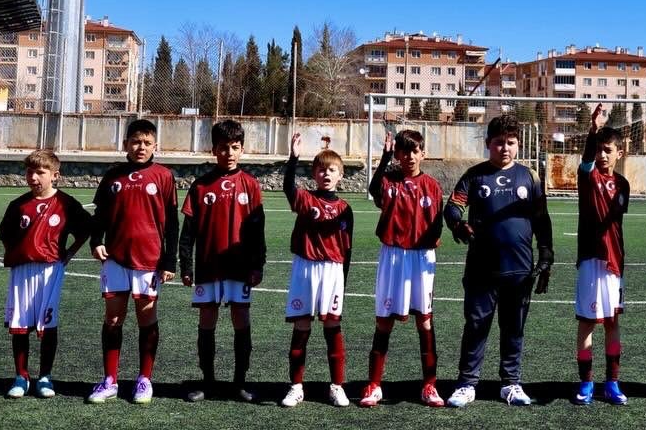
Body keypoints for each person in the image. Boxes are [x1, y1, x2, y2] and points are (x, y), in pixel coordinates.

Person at [443, 113, 554, 408]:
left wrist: (546, 253)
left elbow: (542, 218)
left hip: (519, 269)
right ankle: (467, 383)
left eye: (511, 143)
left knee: (513, 327)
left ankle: (511, 383)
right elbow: (452, 208)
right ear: (488, 144)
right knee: (476, 325)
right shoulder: (475, 175)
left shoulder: (529, 176)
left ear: (517, 145)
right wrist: (458, 224)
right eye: (498, 142)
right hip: (481, 268)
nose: (505, 148)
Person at [87, 119, 178, 405]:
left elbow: (173, 222)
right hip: (115, 258)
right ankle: (110, 380)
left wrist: (169, 260)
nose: (141, 147)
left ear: (155, 146)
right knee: (113, 318)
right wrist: (96, 241)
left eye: (147, 143)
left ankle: (144, 379)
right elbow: (99, 215)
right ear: (126, 144)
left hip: (149, 260)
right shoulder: (113, 176)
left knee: (146, 318)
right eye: (136, 142)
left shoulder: (163, 176)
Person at [179, 119, 266, 403]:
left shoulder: (251, 185)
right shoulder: (201, 185)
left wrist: (258, 265)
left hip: (240, 267)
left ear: (242, 149)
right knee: (207, 320)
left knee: (241, 319)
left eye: (235, 147)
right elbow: (188, 231)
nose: (229, 153)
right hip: (208, 266)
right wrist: (186, 266)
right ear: (214, 149)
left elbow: (257, 231)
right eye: (223, 148)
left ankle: (240, 382)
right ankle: (208, 382)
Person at [358, 128, 446, 409]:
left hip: (421, 257)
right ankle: (374, 385)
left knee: (425, 321)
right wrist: (383, 158)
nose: (409, 156)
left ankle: (429, 386)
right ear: (396, 153)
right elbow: (374, 191)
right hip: (393, 255)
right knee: (384, 320)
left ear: (423, 153)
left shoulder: (433, 186)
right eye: (403, 151)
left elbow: (438, 222)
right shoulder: (388, 180)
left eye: (414, 151)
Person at [0, 149, 91, 400]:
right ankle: (21, 376)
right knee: (20, 324)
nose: (34, 177)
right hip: (21, 270)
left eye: (40, 172)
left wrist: (70, 253)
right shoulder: (18, 205)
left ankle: (45, 376)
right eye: (30, 172)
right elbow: (6, 235)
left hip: (51, 269)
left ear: (55, 175)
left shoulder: (66, 203)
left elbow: (87, 229)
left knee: (47, 322)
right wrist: (19, 254)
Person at [280, 131, 354, 408]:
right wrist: (293, 157)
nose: (326, 174)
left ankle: (337, 386)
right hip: (305, 268)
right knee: (302, 327)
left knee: (333, 326)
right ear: (314, 173)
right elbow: (289, 188)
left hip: (333, 271)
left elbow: (347, 249)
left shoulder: (346, 209)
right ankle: (296, 386)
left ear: (340, 175)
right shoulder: (306, 200)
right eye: (321, 169)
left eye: (331, 170)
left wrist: (343, 281)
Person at [572, 107, 631, 406]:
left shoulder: (623, 185)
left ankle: (612, 383)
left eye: (608, 150)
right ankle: (586, 383)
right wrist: (592, 131)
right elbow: (584, 162)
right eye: (599, 150)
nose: (602, 155)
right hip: (590, 259)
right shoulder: (588, 176)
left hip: (615, 261)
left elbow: (616, 221)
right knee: (586, 322)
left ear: (619, 153)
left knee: (611, 323)